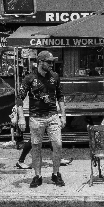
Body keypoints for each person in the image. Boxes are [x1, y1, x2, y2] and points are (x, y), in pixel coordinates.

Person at [16, 50, 67, 188]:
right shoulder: (30, 78)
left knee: (58, 144)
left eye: (52, 62)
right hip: (36, 118)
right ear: (40, 62)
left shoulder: (55, 76)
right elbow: (19, 98)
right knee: (36, 147)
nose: (51, 64)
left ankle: (56, 173)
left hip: (52, 116)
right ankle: (37, 176)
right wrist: (21, 118)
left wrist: (63, 115)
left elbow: (60, 96)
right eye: (49, 62)